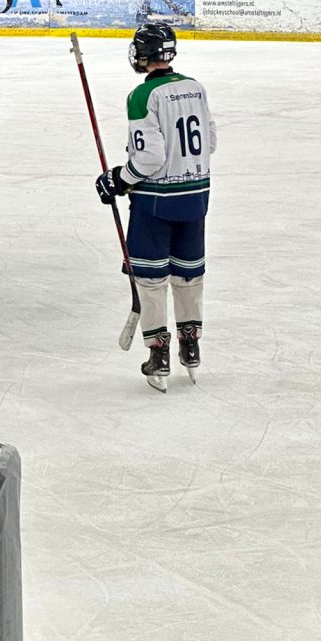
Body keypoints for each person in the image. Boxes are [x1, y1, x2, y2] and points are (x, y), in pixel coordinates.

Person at [94, 23, 217, 392]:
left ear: (143, 54)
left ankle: (158, 355)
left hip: (155, 204)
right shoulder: (195, 86)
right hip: (196, 199)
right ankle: (191, 348)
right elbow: (209, 141)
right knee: (189, 276)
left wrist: (119, 178)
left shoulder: (142, 95)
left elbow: (148, 158)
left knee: (150, 281)